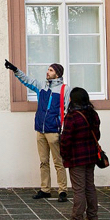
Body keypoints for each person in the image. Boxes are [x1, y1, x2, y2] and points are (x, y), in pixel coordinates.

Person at [5, 59, 69, 202]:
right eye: (48, 69)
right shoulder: (41, 87)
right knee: (43, 161)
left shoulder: (65, 89)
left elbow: (67, 110)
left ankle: (62, 190)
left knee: (58, 162)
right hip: (40, 129)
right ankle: (45, 189)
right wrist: (15, 70)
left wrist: (63, 128)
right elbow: (27, 80)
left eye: (51, 70)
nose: (48, 72)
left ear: (57, 74)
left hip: (54, 131)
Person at [59, 88, 100, 220]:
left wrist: (64, 154)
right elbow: (98, 135)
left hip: (77, 157)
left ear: (73, 99)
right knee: (90, 186)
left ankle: (77, 219)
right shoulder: (92, 114)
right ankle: (93, 216)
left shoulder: (72, 116)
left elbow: (66, 139)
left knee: (78, 189)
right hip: (91, 156)